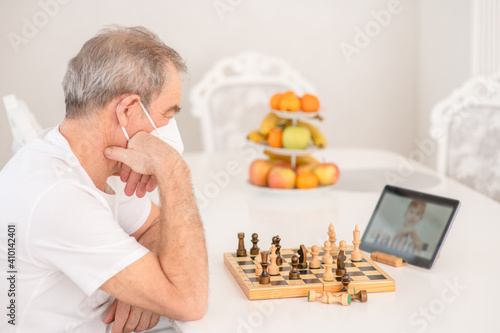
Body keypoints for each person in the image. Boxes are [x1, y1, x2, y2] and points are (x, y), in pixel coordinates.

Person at [0, 25, 208, 333]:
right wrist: (173, 169)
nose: (169, 126)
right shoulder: (58, 196)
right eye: (168, 114)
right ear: (126, 110)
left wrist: (145, 287)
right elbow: (190, 302)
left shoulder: (92, 158)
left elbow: (153, 224)